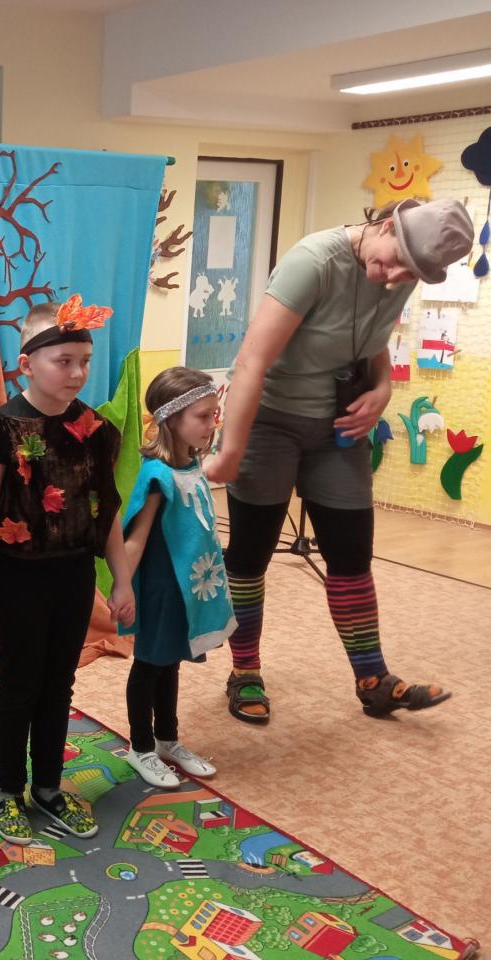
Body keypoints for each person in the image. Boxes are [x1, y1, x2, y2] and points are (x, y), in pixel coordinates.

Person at [205, 198, 472, 722]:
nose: (395, 277)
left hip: (339, 427)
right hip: (270, 420)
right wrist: (230, 451)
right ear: (387, 224)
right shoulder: (315, 261)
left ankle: (374, 681)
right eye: (397, 261)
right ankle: (244, 672)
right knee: (251, 554)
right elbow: (252, 360)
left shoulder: (400, 272)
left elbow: (372, 340)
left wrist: (382, 390)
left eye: (411, 274)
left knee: (351, 554)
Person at [0, 297, 135, 845]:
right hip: (16, 577)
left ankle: (49, 788)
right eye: (64, 361)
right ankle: (8, 789)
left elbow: (107, 510)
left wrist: (122, 579)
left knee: (59, 682)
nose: (77, 373)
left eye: (84, 361)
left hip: (73, 573)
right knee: (20, 682)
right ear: (27, 364)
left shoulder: (96, 431)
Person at [121, 367, 235, 788]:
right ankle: (140, 747)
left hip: (186, 590)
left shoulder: (191, 464)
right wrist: (121, 587)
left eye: (214, 414)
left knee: (170, 662)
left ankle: (166, 739)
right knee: (149, 665)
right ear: (171, 420)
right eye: (202, 416)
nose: (212, 424)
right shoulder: (158, 474)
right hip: (161, 590)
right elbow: (136, 538)